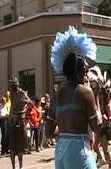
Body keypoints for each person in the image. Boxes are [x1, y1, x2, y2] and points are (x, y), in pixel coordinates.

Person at [45, 26, 100, 169]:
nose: (87, 73)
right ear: (79, 71)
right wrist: (96, 98)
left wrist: (65, 132)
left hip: (60, 151)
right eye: (85, 70)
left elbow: (48, 132)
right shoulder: (85, 92)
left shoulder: (56, 96)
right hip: (79, 151)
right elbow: (96, 127)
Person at [8, 77, 32, 169]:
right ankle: (13, 166)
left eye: (13, 86)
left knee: (20, 144)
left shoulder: (22, 93)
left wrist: (24, 111)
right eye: (11, 86)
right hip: (12, 120)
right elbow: (12, 107)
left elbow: (30, 103)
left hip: (20, 120)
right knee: (12, 145)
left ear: (16, 86)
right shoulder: (11, 94)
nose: (11, 87)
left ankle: (20, 166)